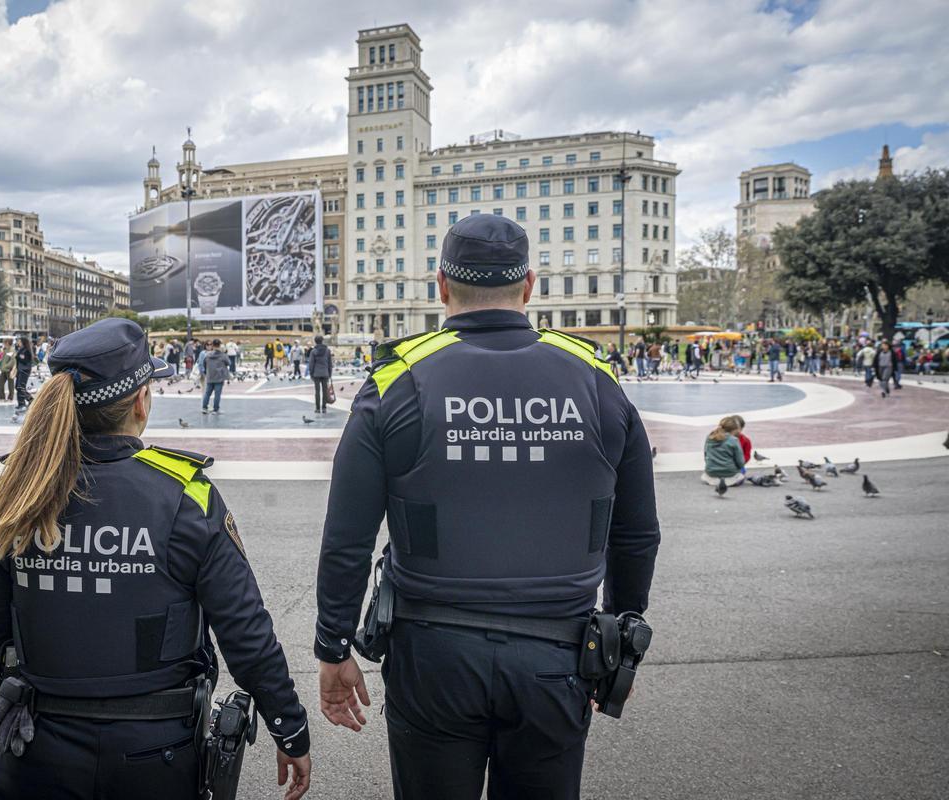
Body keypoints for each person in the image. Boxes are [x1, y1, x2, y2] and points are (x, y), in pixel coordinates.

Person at [314, 215, 660, 799]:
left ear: (441, 287)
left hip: (432, 653)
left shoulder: (397, 379)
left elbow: (347, 537)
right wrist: (620, 634)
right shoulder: (598, 380)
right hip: (559, 650)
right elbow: (635, 532)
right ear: (529, 286)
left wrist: (332, 644)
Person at [0, 318, 311, 800]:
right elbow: (245, 631)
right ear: (141, 401)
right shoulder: (184, 495)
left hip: (37, 747)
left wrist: (45, 690)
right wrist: (287, 726)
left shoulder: (16, 492)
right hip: (155, 751)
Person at [702, 416, 745, 486]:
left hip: (711, 473)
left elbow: (706, 455)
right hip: (730, 474)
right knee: (741, 476)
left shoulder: (709, 437)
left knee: (706, 476)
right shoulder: (734, 440)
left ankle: (713, 479)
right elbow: (740, 462)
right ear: (734, 430)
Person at [201, 339, 231, 414]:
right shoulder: (223, 355)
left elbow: (204, 364)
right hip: (219, 377)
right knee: (217, 394)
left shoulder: (207, 355)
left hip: (210, 376)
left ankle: (204, 408)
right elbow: (229, 363)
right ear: (220, 345)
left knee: (207, 393)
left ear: (212, 345)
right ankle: (215, 409)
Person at [307, 335, 333, 414]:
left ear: (315, 341)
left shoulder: (313, 351)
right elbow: (330, 363)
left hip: (316, 373)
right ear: (322, 341)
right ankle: (324, 408)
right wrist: (330, 374)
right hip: (325, 373)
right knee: (325, 391)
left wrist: (311, 373)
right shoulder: (327, 351)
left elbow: (311, 364)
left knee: (317, 391)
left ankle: (317, 408)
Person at [15, 336, 33, 410]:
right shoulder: (21, 350)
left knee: (20, 387)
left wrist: (18, 356)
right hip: (20, 370)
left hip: (24, 371)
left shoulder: (26, 351)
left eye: (19, 341)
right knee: (17, 387)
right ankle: (21, 403)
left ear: (23, 342)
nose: (18, 343)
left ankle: (30, 399)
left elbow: (25, 361)